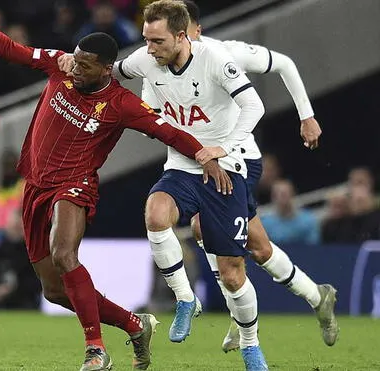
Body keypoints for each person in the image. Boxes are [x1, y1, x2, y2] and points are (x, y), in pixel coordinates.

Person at [0, 2, 231, 370]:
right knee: (54, 291)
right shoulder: (61, 65)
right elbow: (9, 49)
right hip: (35, 187)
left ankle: (95, 350)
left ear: (106, 68)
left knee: (64, 254)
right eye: (75, 60)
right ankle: (134, 324)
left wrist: (204, 156)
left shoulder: (120, 103)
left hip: (75, 185)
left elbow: (167, 130)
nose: (76, 69)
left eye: (85, 66)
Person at [56, 1, 271, 368]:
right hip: (182, 165)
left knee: (233, 272)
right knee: (156, 216)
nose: (149, 49)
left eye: (157, 41)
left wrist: (223, 147)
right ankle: (186, 299)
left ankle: (251, 344)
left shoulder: (216, 60)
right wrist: (70, 63)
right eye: (145, 39)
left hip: (226, 167)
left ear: (181, 37)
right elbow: (109, 70)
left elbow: (254, 106)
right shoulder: (144, 59)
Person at [179, 0, 337, 352]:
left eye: (181, 32)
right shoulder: (161, 65)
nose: (174, 42)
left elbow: (284, 63)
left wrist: (306, 115)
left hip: (238, 161)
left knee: (203, 228)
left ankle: (241, 318)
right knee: (260, 248)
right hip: (203, 163)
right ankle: (317, 296)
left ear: (196, 31)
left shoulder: (224, 54)